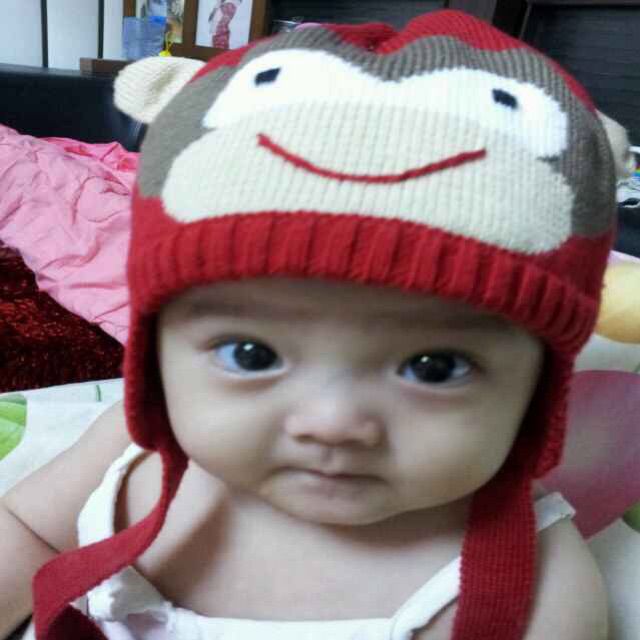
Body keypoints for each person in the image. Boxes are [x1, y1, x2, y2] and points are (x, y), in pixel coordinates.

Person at [0, 9, 623, 640]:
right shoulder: (132, 446)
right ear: (156, 355)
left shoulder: (532, 595)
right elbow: (24, 531)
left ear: (540, 389)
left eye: (436, 367)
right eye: (249, 354)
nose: (332, 422)